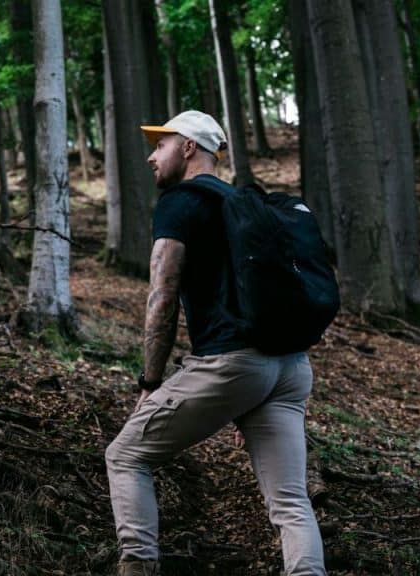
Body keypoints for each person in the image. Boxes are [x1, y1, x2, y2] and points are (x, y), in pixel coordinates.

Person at [104, 110, 326, 576]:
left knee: (125, 456)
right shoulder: (245, 203)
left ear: (188, 147)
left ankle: (138, 565)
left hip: (234, 364)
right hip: (289, 367)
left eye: (160, 144)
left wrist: (151, 380)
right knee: (289, 500)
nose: (150, 156)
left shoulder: (181, 202)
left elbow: (161, 296)